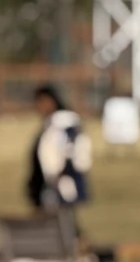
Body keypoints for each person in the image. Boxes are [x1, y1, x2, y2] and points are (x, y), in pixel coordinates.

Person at [26, 84, 93, 215]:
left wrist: (59, 172)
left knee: (62, 217)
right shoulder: (55, 122)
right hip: (52, 182)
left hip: (61, 181)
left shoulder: (63, 122)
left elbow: (69, 150)